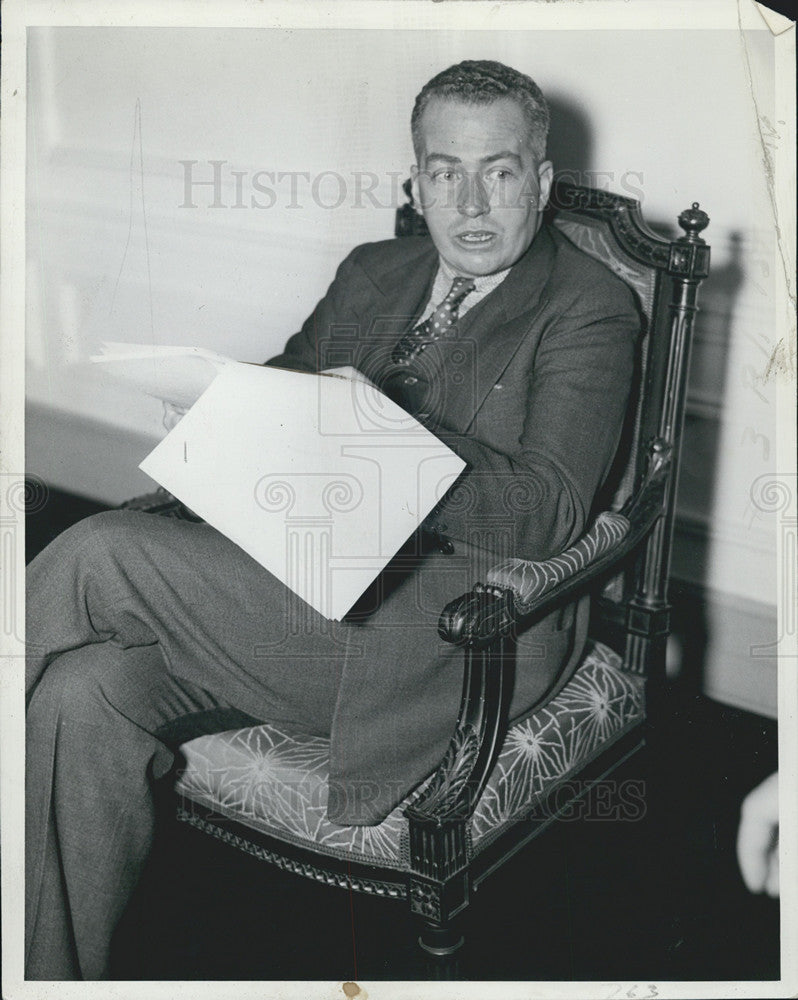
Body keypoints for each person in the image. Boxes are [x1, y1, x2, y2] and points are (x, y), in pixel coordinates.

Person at [25, 59, 639, 979]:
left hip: (439, 634)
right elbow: (285, 388)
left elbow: (548, 509)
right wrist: (222, 405)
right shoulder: (374, 271)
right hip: (286, 583)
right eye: (444, 171)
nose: (471, 202)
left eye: (500, 171)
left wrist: (387, 440)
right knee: (82, 697)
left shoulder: (590, 310)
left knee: (101, 551)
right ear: (416, 180)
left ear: (541, 183)